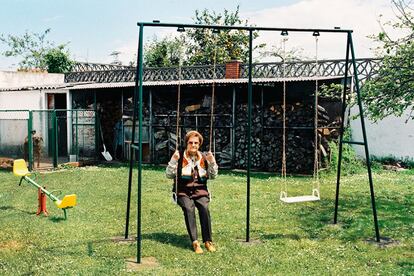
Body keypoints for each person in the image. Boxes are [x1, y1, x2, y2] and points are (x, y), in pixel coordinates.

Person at [166, 130, 218, 254]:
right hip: (183, 192)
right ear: (186, 144)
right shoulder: (179, 157)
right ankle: (195, 242)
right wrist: (173, 160)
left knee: (204, 208)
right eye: (190, 143)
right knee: (189, 209)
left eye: (196, 143)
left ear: (199, 144)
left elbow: (213, 176)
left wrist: (212, 162)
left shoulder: (204, 157)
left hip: (200, 191)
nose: (193, 145)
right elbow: (168, 175)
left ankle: (207, 241)